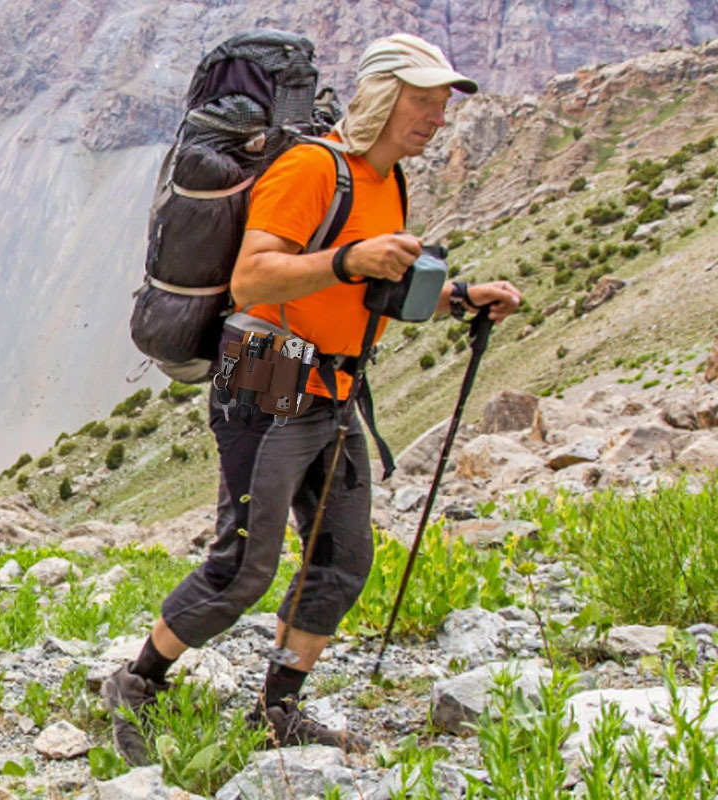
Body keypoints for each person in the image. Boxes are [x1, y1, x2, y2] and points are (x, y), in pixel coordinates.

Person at [103, 32, 522, 765]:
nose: (436, 117)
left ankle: (278, 707)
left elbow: (370, 287)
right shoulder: (310, 169)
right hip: (266, 365)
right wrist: (347, 258)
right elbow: (254, 281)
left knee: (342, 553)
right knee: (246, 560)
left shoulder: (387, 180)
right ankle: (138, 679)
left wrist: (457, 298)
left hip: (331, 379)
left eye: (441, 104)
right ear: (383, 98)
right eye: (422, 101)